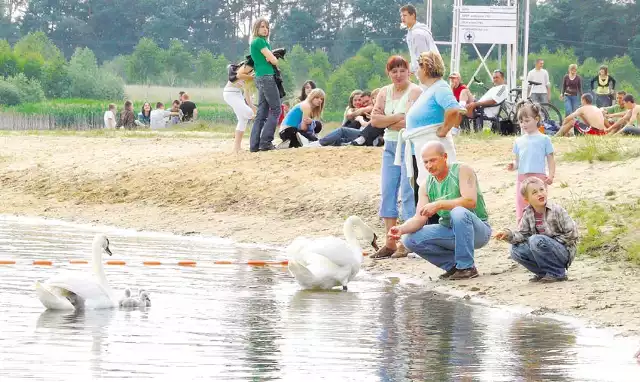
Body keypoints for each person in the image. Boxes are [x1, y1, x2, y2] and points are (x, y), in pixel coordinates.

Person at [388, 141, 491, 280]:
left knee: (458, 212)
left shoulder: (462, 170)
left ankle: (467, 267)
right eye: (425, 162)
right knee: (410, 240)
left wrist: (439, 204)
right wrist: (401, 229)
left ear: (445, 157)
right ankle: (455, 266)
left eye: (433, 160)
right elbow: (419, 219)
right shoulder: (426, 185)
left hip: (477, 231)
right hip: (449, 230)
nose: (429, 166)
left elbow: (470, 201)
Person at [369, 55, 423, 260]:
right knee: (388, 190)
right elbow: (375, 120)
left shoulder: (415, 91)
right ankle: (390, 241)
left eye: (402, 70)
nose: (398, 74)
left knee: (408, 192)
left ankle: (407, 241)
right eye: (394, 71)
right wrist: (394, 120)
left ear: (408, 71)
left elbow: (409, 120)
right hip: (390, 145)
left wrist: (387, 121)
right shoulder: (384, 92)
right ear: (389, 73)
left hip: (407, 145)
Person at [402, 51, 462, 210]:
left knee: (434, 191)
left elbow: (453, 109)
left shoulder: (440, 88)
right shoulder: (429, 90)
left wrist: (444, 130)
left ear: (426, 68)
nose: (415, 72)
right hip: (419, 147)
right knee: (423, 192)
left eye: (418, 68)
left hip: (431, 146)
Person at [495, 177, 578, 283]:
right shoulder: (528, 214)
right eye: (534, 192)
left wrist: (549, 242)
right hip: (540, 247)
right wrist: (508, 235)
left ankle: (557, 272)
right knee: (515, 250)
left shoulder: (556, 210)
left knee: (535, 240)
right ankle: (544, 273)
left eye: (542, 190)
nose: (540, 194)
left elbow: (572, 233)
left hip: (563, 251)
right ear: (526, 199)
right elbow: (523, 235)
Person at [506, 103, 556, 223]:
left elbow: (550, 159)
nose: (523, 124)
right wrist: (513, 166)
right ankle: (522, 227)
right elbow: (518, 161)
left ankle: (541, 226)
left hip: (539, 178)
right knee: (521, 203)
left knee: (539, 203)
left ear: (536, 119)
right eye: (521, 121)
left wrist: (551, 175)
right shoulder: (518, 141)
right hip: (522, 178)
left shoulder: (544, 139)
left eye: (527, 121)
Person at [249, 17, 281, 152]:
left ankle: (254, 145)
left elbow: (269, 58)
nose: (265, 29)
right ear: (256, 28)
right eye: (262, 27)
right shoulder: (260, 42)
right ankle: (266, 142)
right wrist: (272, 58)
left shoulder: (255, 43)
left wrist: (270, 58)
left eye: (267, 27)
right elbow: (274, 60)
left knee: (261, 112)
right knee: (276, 110)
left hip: (259, 77)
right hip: (267, 77)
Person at [223, 59, 256, 152]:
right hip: (230, 93)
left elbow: (247, 91)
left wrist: (251, 105)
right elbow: (246, 89)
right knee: (248, 113)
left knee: (243, 119)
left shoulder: (247, 75)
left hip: (237, 94)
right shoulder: (241, 73)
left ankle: (236, 147)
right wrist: (252, 110)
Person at [400, 4, 439, 78]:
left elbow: (423, 59)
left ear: (413, 15)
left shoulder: (417, 34)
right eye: (401, 16)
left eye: (405, 15)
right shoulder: (414, 32)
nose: (402, 18)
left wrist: (409, 69)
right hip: (427, 74)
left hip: (428, 75)